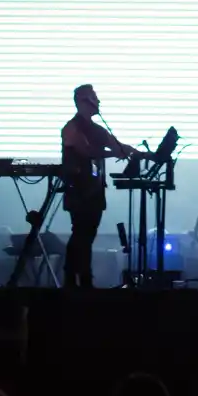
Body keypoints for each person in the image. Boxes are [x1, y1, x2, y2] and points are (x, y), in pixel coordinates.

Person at [61, 85, 134, 289]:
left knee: (87, 236)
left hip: (94, 190)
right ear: (83, 101)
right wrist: (115, 153)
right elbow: (85, 151)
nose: (99, 102)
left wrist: (139, 153)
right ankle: (74, 280)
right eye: (95, 98)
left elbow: (115, 145)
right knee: (80, 234)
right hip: (78, 189)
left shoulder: (98, 130)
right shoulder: (71, 127)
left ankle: (83, 279)